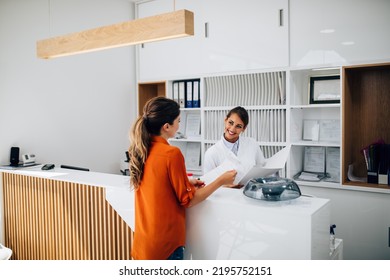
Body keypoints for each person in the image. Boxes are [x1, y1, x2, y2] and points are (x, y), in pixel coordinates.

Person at [128, 96, 237, 260]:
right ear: (166, 126)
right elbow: (189, 200)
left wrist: (185, 181)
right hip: (167, 248)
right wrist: (221, 180)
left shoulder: (141, 148)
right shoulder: (172, 154)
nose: (180, 125)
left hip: (143, 246)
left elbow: (158, 185)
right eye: (178, 121)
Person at [203, 106, 266, 186]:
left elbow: (261, 168)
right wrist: (226, 186)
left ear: (244, 128)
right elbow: (207, 184)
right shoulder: (211, 152)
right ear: (225, 120)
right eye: (230, 123)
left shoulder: (252, 144)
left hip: (250, 194)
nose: (232, 129)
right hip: (224, 196)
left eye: (238, 126)